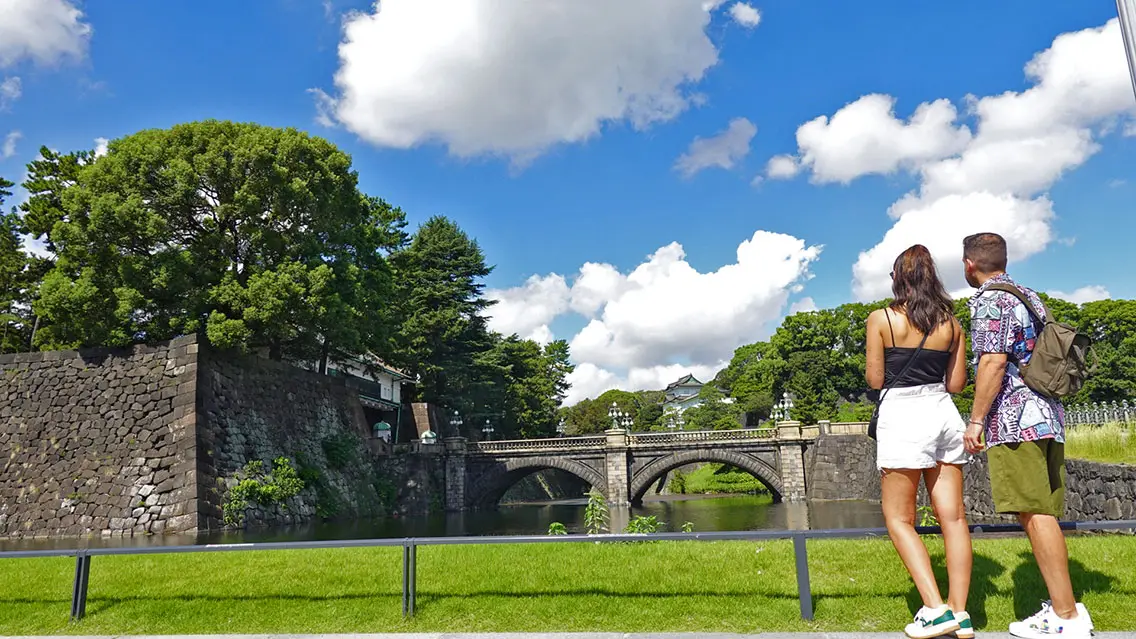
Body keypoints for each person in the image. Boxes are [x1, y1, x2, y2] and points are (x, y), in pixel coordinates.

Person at [961, 232, 1094, 639]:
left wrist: (977, 420)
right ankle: (1066, 609)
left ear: (969, 264)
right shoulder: (1027, 295)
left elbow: (993, 362)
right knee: (1042, 512)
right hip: (1048, 415)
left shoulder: (991, 300)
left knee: (1034, 513)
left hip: (1016, 420)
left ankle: (1066, 615)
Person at [865, 244, 973, 639]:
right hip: (943, 412)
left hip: (904, 415)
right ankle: (960, 612)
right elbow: (956, 384)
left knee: (899, 519)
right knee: (954, 518)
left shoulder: (881, 319)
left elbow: (876, 380)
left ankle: (934, 608)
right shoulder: (952, 324)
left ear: (898, 278)